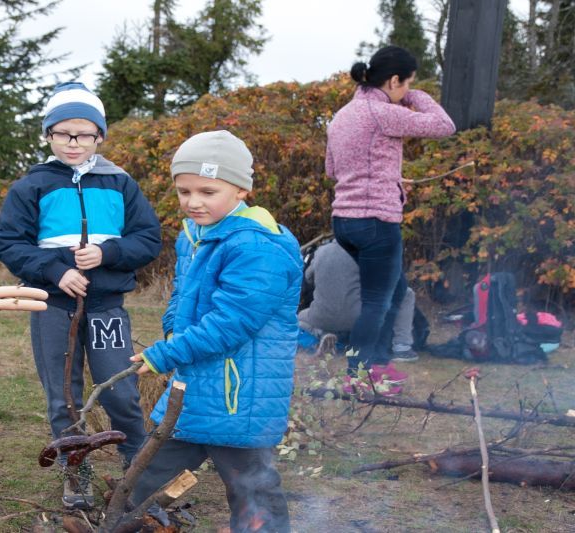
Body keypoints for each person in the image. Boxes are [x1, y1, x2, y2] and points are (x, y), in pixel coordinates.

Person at [0, 82, 162, 509]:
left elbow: (149, 239)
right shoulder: (33, 185)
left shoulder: (120, 183)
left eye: (84, 133)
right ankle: (76, 474)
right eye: (63, 132)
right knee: (62, 395)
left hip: (107, 307)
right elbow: (9, 242)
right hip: (53, 307)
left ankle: (137, 470)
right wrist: (54, 269)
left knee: (119, 388)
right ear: (48, 134)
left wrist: (108, 252)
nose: (73, 142)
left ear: (99, 137)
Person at [128, 130, 301, 533]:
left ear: (241, 189)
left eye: (207, 191)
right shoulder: (194, 235)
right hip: (195, 386)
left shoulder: (258, 246)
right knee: (149, 474)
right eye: (184, 191)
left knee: (251, 484)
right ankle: (125, 523)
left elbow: (231, 323)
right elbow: (182, 295)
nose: (193, 202)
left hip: (238, 393)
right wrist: (171, 330)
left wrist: (166, 354)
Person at [325, 45, 455, 389]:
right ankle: (358, 375)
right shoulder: (382, 112)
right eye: (407, 84)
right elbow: (445, 126)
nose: (407, 93)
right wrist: (420, 97)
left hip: (344, 221)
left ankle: (377, 365)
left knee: (394, 292)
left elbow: (332, 170)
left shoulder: (342, 116)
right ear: (394, 80)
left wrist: (388, 178)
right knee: (376, 302)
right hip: (376, 222)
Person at [298, 240, 418, 386]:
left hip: (322, 316)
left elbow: (308, 278)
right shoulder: (365, 253)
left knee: (300, 318)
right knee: (406, 293)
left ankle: (321, 332)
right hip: (358, 318)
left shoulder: (321, 251)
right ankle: (402, 346)